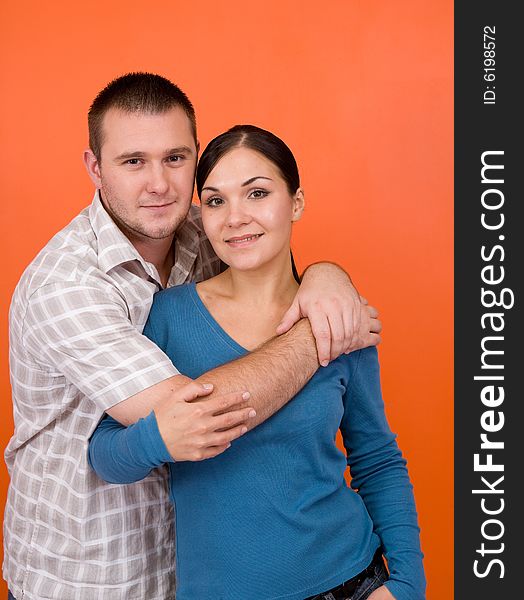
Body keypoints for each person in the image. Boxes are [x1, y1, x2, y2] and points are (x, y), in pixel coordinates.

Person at [4, 73, 381, 600]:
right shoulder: (65, 286)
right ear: (95, 168)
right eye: (133, 161)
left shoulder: (206, 232)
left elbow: (271, 252)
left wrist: (327, 275)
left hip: (187, 571)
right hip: (87, 575)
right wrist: (319, 333)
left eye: (176, 158)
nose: (158, 183)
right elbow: (199, 412)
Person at [89, 125, 425, 600]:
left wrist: (407, 585)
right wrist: (163, 435)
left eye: (258, 193)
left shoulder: (337, 316)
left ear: (297, 202)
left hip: (349, 580)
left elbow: (377, 459)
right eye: (216, 201)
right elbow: (105, 454)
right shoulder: (168, 315)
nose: (235, 218)